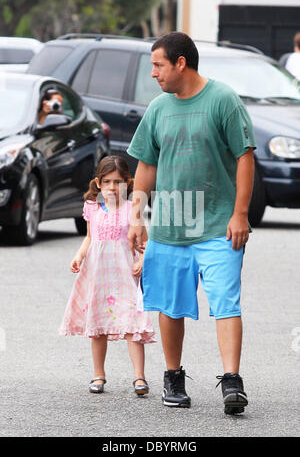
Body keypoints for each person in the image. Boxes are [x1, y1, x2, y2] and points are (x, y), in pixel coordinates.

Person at [127, 32, 256, 415]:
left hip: (218, 225)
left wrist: (241, 213)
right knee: (170, 305)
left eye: (158, 65)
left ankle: (232, 381)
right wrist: (137, 217)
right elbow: (146, 165)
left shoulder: (223, 100)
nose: (153, 74)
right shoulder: (157, 109)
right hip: (168, 227)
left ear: (180, 63)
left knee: (226, 303)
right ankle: (172, 376)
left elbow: (244, 158)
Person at [59, 156, 156, 396]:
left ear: (127, 183)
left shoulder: (133, 210)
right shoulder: (93, 208)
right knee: (98, 325)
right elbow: (90, 238)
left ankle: (139, 377)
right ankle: (98, 374)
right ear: (98, 183)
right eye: (107, 182)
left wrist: (142, 261)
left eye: (118, 182)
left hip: (124, 274)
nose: (113, 187)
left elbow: (145, 242)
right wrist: (79, 256)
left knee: (133, 323)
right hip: (99, 274)